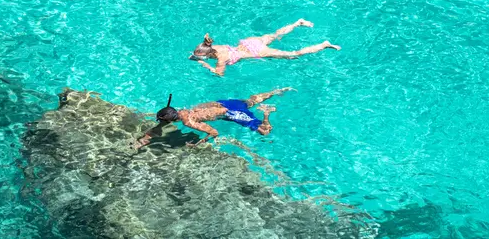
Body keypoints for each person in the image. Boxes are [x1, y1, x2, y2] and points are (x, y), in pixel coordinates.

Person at [134, 88, 292, 150]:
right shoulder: (183, 110)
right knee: (250, 101)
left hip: (231, 113)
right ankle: (277, 91)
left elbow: (214, 132)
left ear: (171, 120)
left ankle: (266, 113)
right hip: (224, 103)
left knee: (264, 131)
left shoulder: (188, 122)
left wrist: (199, 143)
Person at [190, 19, 340, 76]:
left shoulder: (220, 59)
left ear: (207, 55)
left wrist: (204, 64)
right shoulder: (214, 47)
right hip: (250, 42)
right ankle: (297, 23)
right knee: (276, 35)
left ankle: (324, 45)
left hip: (257, 51)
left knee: (294, 54)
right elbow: (204, 48)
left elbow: (219, 74)